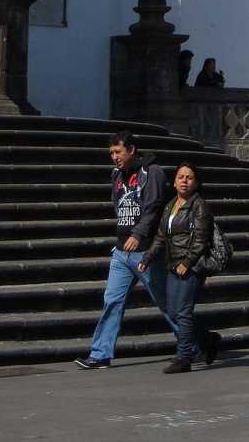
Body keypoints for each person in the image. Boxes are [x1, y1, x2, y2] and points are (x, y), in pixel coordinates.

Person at [75, 132, 174, 368]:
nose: (114, 157)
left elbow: (153, 207)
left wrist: (138, 234)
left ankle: (196, 341)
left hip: (146, 250)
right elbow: (117, 204)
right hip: (121, 251)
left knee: (165, 301)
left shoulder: (153, 172)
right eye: (111, 153)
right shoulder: (116, 175)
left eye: (117, 152)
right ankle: (100, 354)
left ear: (131, 149)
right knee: (112, 300)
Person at [138, 163, 220, 372]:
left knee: (182, 311)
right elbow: (160, 236)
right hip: (172, 263)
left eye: (189, 177)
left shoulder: (199, 206)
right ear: (174, 182)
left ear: (196, 182)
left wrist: (187, 262)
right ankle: (207, 338)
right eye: (181, 177)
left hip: (190, 267)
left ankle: (184, 357)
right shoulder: (171, 205)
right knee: (174, 311)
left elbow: (201, 240)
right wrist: (147, 258)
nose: (184, 181)